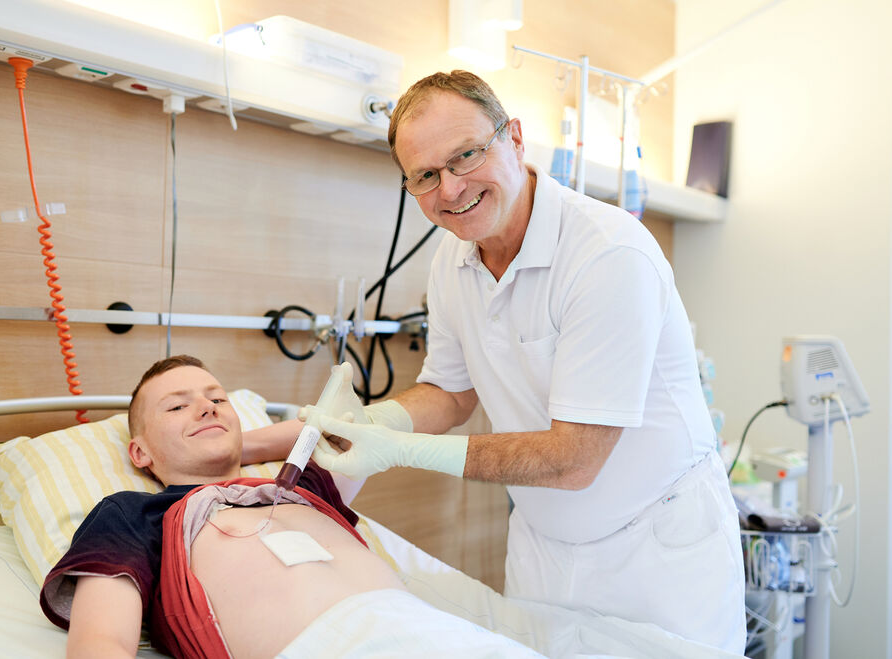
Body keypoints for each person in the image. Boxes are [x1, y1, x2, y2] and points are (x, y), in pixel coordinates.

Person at [307, 70, 746, 653]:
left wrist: (405, 451)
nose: (451, 189)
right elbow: (451, 391)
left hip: (655, 554)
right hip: (544, 545)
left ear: (514, 137)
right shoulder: (452, 259)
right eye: (426, 176)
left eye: (465, 156)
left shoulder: (606, 255)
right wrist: (377, 420)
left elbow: (574, 458)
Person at [39, 354, 545, 658]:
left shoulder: (304, 486)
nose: (206, 406)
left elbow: (350, 433)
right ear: (139, 452)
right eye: (177, 406)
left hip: (442, 634)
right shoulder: (134, 513)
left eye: (217, 398)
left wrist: (244, 446)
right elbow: (101, 644)